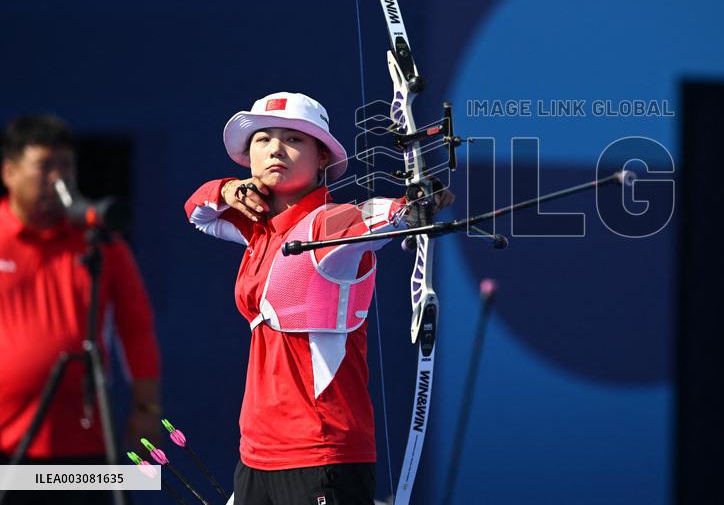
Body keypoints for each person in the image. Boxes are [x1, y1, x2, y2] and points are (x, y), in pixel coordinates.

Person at [183, 92, 451, 505]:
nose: (275, 149)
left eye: (294, 139)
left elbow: (372, 217)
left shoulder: (329, 223)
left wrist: (411, 207)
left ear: (322, 156)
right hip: (255, 455)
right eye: (263, 139)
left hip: (321, 453)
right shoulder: (257, 229)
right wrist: (227, 189)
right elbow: (197, 212)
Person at [0, 115, 162, 503]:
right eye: (45, 166)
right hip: (5, 443)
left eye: (66, 166)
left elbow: (136, 327)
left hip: (86, 446)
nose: (59, 178)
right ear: (9, 172)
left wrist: (147, 409)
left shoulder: (101, 242)